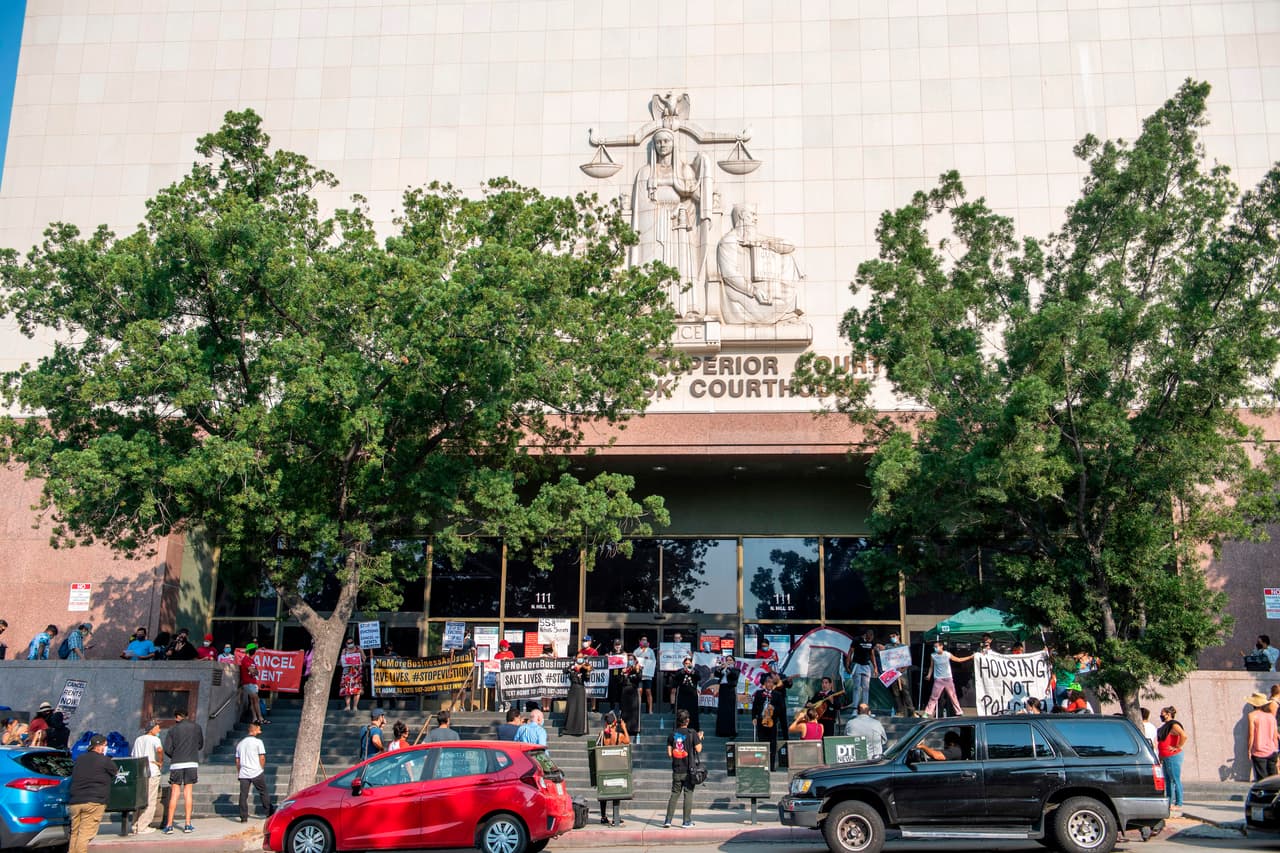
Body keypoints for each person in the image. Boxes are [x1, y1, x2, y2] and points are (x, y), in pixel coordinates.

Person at [631, 126, 713, 319]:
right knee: (652, 261)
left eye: (666, 141)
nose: (662, 145)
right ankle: (650, 306)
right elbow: (641, 204)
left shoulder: (684, 170)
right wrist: (658, 213)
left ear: (673, 144)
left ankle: (682, 308)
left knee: (680, 265)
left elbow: (697, 197)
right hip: (654, 222)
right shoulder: (645, 172)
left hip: (678, 224)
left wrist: (684, 202)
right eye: (658, 142)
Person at [716, 202, 804, 324]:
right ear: (742, 215)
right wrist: (754, 291)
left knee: (788, 259)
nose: (756, 218)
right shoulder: (729, 241)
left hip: (760, 289)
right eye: (752, 214)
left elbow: (789, 246)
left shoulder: (754, 237)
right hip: (742, 294)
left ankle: (788, 311)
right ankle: (785, 313)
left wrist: (767, 243)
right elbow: (729, 274)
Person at [67, 734, 117, 853]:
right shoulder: (105, 760)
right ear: (99, 747)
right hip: (94, 801)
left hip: (75, 801)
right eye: (105, 745)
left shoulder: (79, 759)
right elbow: (115, 771)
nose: (106, 748)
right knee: (85, 834)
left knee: (75, 833)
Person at [162, 708, 204, 834]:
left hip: (176, 763)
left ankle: (169, 825)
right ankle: (187, 823)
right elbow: (200, 744)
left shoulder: (172, 729)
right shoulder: (196, 727)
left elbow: (167, 749)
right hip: (191, 762)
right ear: (187, 715)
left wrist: (175, 756)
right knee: (188, 792)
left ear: (177, 717)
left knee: (175, 793)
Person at [662, 709, 701, 829]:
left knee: (674, 794)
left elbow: (670, 753)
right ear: (687, 720)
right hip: (689, 770)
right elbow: (698, 749)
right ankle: (686, 821)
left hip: (677, 769)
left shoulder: (672, 734)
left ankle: (668, 820)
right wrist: (700, 738)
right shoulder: (692, 732)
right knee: (688, 794)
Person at [596, 712, 631, 826]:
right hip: (615, 765)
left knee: (604, 791)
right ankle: (616, 816)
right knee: (616, 790)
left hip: (603, 765)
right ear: (615, 723)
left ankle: (603, 816)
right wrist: (624, 728)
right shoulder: (619, 736)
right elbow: (627, 741)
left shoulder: (602, 733)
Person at [130, 719, 164, 834]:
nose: (159, 729)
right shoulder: (155, 739)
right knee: (150, 799)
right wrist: (160, 761)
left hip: (140, 772)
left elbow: (133, 755)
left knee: (140, 799)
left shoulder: (138, 740)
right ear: (152, 728)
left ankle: (135, 824)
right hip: (152, 772)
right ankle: (143, 826)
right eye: (158, 727)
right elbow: (159, 750)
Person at [923, 640, 973, 718]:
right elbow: (931, 666)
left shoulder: (947, 654)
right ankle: (928, 712)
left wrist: (970, 657)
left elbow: (958, 659)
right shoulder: (933, 655)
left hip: (948, 679)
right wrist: (929, 675)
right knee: (934, 697)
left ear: (941, 646)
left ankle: (959, 711)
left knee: (953, 696)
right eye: (934, 647)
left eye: (937, 646)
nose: (935, 648)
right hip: (938, 679)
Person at [235, 721, 272, 822]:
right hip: (256, 771)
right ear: (254, 730)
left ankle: (243, 817)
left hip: (244, 773)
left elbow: (237, 760)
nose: (260, 731)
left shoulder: (240, 744)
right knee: (263, 792)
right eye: (259, 729)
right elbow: (262, 757)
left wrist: (239, 771)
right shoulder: (258, 742)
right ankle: (268, 813)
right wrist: (261, 768)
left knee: (243, 795)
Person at [1157, 706, 1187, 815]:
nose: (1161, 715)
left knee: (1175, 779)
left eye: (1162, 713)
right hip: (1165, 756)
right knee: (1168, 780)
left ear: (1168, 714)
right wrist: (1160, 756)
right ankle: (1169, 802)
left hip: (1173, 756)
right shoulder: (1165, 727)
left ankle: (1178, 803)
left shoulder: (1173, 724)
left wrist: (1177, 746)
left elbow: (1184, 735)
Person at [751, 673, 785, 771]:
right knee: (761, 743)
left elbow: (781, 709)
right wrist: (754, 718)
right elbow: (754, 708)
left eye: (771, 682)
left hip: (772, 722)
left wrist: (774, 708)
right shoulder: (759, 693)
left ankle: (771, 766)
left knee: (772, 744)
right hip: (761, 721)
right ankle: (762, 765)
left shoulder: (777, 695)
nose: (769, 684)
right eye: (767, 682)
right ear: (765, 683)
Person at [881, 630, 917, 717]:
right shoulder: (888, 647)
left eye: (893, 636)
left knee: (905, 692)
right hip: (892, 673)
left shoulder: (904, 647)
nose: (891, 638)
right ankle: (900, 711)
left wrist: (901, 670)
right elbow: (883, 655)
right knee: (895, 693)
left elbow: (908, 661)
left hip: (902, 673)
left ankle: (911, 711)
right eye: (890, 637)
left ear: (898, 636)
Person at [1247, 692, 1279, 781]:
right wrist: (1276, 750)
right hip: (1272, 751)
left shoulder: (1252, 715)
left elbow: (1251, 734)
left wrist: (1249, 750)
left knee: (1262, 780)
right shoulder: (1271, 716)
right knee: (1274, 779)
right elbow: (1275, 735)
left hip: (1258, 751)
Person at [844, 629, 878, 711]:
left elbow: (872, 654)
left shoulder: (871, 642)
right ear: (866, 635)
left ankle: (865, 706)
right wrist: (847, 665)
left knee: (866, 687)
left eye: (871, 639)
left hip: (866, 665)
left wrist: (875, 667)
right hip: (857, 664)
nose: (870, 640)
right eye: (869, 638)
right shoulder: (857, 640)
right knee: (856, 686)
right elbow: (850, 652)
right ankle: (855, 707)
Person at [563, 655, 592, 736]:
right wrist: (571, 667)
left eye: (581, 657)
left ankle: (580, 729)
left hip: (580, 689)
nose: (580, 659)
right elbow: (564, 671)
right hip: (572, 688)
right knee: (571, 708)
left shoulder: (584, 667)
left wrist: (587, 672)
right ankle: (569, 728)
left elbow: (587, 679)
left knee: (580, 709)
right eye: (578, 657)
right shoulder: (572, 666)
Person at [713, 654, 739, 737]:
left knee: (731, 710)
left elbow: (733, 675)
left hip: (731, 689)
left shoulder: (735, 669)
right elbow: (716, 674)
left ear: (734, 662)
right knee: (722, 710)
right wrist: (720, 667)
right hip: (723, 689)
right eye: (727, 660)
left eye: (730, 660)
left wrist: (727, 668)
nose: (728, 661)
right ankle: (721, 731)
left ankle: (732, 732)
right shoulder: (723, 669)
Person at [240, 643, 266, 725]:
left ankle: (254, 718)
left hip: (254, 682)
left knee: (252, 700)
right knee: (256, 698)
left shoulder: (252, 660)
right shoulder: (245, 659)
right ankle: (260, 717)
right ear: (250, 650)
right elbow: (252, 671)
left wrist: (253, 671)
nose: (255, 651)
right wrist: (253, 671)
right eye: (254, 649)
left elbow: (257, 672)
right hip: (247, 682)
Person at [673, 655, 700, 732]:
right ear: (683, 664)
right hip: (682, 694)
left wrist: (692, 672)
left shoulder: (695, 671)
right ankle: (679, 727)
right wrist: (683, 671)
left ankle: (694, 728)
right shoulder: (680, 671)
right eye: (686, 663)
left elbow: (699, 677)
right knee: (681, 711)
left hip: (692, 695)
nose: (687, 664)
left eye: (689, 663)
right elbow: (676, 677)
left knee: (693, 711)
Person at [620, 654, 643, 738]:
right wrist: (622, 673)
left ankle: (635, 729)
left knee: (634, 711)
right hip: (625, 690)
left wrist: (637, 671)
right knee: (625, 711)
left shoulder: (637, 668)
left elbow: (639, 679)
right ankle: (625, 729)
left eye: (631, 659)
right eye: (628, 659)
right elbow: (619, 682)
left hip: (634, 690)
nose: (630, 661)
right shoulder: (624, 669)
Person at [339, 638, 364, 713]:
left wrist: (360, 653)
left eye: (351, 642)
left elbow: (364, 658)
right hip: (347, 672)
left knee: (356, 689)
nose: (350, 644)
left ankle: (355, 706)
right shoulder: (344, 650)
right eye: (348, 642)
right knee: (347, 689)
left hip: (356, 672)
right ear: (346, 644)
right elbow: (341, 661)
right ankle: (347, 706)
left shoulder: (359, 648)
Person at [633, 636, 656, 714]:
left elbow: (654, 662)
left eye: (646, 640)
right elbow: (633, 661)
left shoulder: (650, 651)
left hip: (647, 675)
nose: (644, 641)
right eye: (643, 640)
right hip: (639, 675)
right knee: (639, 691)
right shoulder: (636, 651)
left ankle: (650, 710)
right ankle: (638, 710)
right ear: (640, 641)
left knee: (648, 691)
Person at [493, 639, 516, 711]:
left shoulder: (510, 653)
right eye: (505, 647)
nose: (507, 648)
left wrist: (508, 659)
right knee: (499, 689)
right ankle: (501, 705)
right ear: (501, 647)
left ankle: (507, 705)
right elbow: (495, 663)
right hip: (499, 674)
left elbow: (514, 662)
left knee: (507, 689)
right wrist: (501, 660)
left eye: (507, 647)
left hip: (507, 674)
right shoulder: (497, 655)